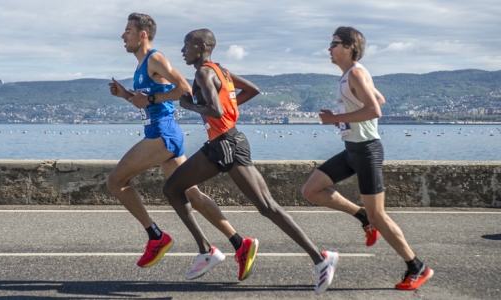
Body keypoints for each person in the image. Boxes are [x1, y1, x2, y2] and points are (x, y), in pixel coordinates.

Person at [162, 28, 338, 294]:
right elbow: (252, 90)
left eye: (186, 45)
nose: (182, 50)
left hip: (225, 145)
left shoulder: (203, 73)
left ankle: (319, 259)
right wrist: (227, 113)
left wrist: (191, 107)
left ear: (200, 46)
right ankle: (318, 258)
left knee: (175, 189)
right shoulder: (219, 70)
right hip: (227, 142)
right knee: (266, 207)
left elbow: (215, 109)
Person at [108, 13, 254, 275]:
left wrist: (149, 99)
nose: (123, 35)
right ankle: (239, 243)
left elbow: (184, 89)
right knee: (193, 195)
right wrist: (127, 95)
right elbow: (151, 99)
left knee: (115, 182)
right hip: (164, 133)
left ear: (143, 34)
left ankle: (156, 237)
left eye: (127, 30)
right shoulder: (142, 63)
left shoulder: (155, 58)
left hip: (162, 134)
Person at [301, 26, 433, 290]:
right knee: (311, 190)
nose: (329, 48)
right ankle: (362, 217)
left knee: (380, 216)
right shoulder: (349, 75)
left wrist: (336, 118)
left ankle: (416, 266)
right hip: (352, 149)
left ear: (350, 47)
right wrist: (345, 114)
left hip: (367, 151)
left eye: (335, 43)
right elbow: (379, 98)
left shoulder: (357, 73)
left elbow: (374, 110)